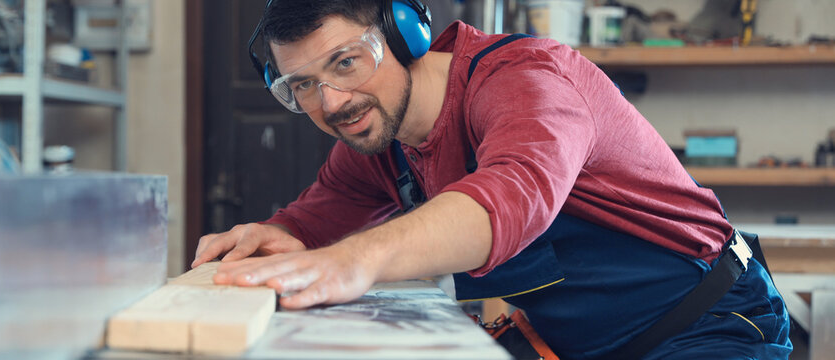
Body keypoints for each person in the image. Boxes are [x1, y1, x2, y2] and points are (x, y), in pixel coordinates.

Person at [191, 0, 792, 358]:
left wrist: (354, 261)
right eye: (302, 85)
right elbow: (316, 217)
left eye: (345, 63)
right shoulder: (380, 135)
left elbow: (510, 195)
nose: (333, 101)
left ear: (406, 33)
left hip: (713, 326)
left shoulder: (525, 81)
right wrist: (275, 237)